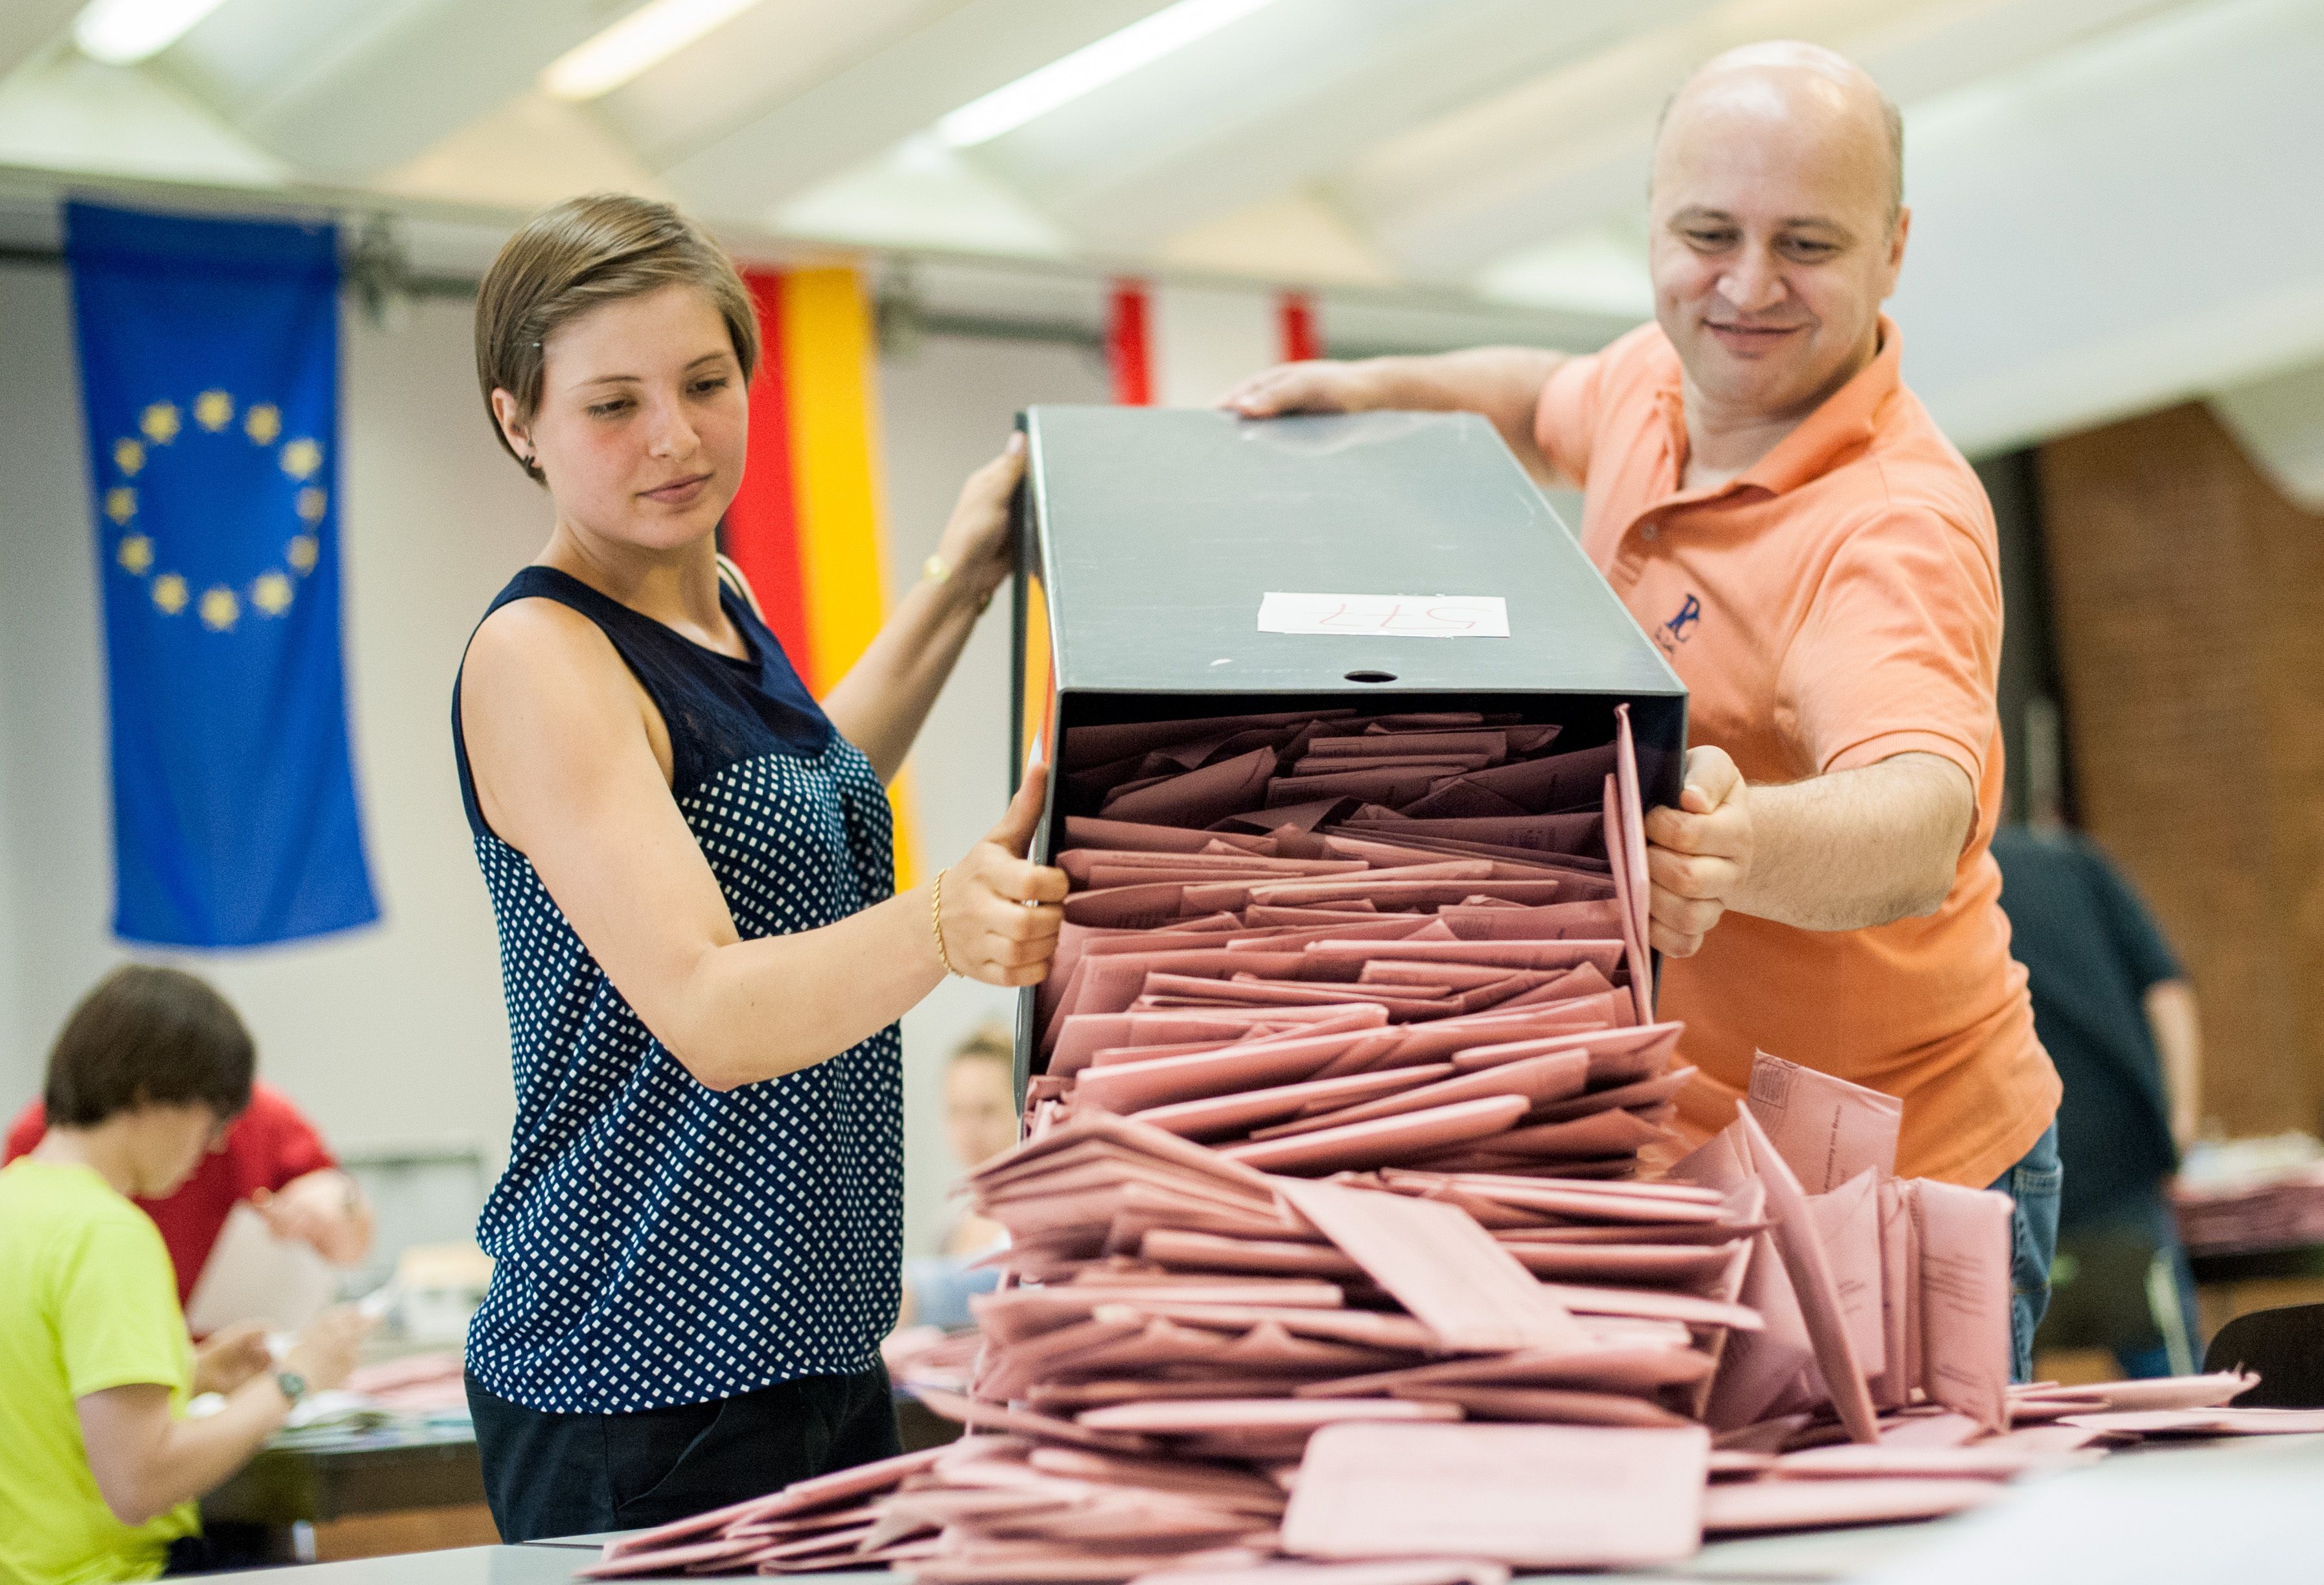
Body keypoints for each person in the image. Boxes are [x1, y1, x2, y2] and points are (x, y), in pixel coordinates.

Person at [1222, 41, 2062, 1376]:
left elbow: (1918, 818)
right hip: (1689, 1143)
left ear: (1893, 248)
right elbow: (1533, 397)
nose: (1745, 287)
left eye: (1805, 245)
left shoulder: (1889, 526)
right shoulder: (1654, 386)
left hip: (1897, 1173)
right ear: (1653, 225)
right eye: (1706, 235)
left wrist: (1736, 844)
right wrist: (1372, 390)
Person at [453, 193, 1067, 1541]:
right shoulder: (541, 656)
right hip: (639, 1374)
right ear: (519, 421)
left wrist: (963, 580)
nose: (674, 437)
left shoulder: (718, 600)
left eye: (704, 383)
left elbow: (809, 798)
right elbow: (710, 1007)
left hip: (813, 1343)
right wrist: (941, 923)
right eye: (612, 405)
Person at [0, 966, 368, 1585]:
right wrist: (294, 1379)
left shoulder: (14, 1202)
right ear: (148, 1093)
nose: (216, 1143)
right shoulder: (108, 1234)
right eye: (212, 1118)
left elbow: (47, 1395)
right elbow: (139, 1482)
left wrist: (193, 1373)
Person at [1992, 821, 2203, 1378]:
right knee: (2181, 1391)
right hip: (2118, 1161)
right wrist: (2180, 1120)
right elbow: (2167, 990)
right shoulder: (2074, 862)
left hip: (2004, 1172)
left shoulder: (1939, 889)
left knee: (2006, 1398)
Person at [6, 1079, 375, 1315]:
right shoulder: (54, 1141)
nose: (213, 1144)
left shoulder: (254, 1117)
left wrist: (331, 1206)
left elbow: (335, 1206)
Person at [897, 1025, 1017, 1330]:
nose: (969, 1130)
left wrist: (914, 1293)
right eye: (956, 1111)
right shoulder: (948, 1230)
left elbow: (1008, 1284)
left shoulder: (1041, 1221)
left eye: (987, 1111)